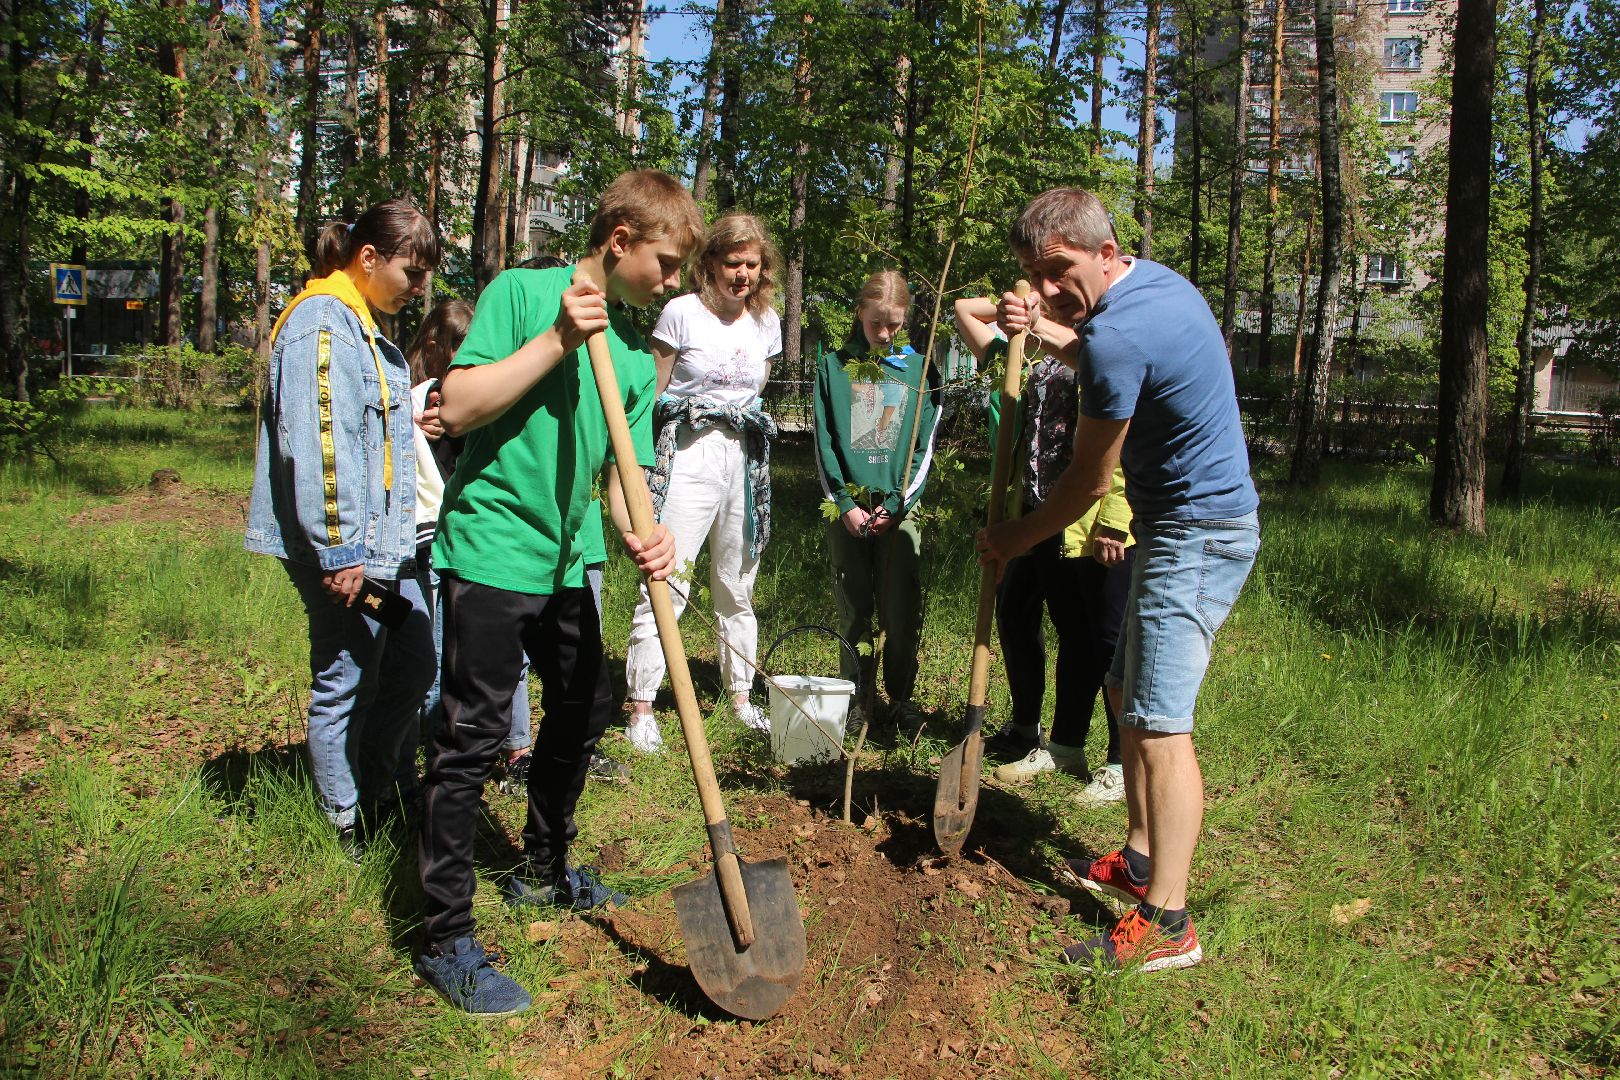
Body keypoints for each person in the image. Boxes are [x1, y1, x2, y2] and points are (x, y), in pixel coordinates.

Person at [413, 170, 694, 1016]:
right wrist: (558, 343)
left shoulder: (637, 363)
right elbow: (457, 406)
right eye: (667, 262)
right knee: (469, 740)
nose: (673, 282)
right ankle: (444, 937)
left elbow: (621, 480)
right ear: (619, 241)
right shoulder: (520, 294)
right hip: (494, 553)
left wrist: (646, 529)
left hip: (570, 564)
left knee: (584, 704)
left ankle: (542, 866)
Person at [977, 187, 1259, 973]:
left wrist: (1011, 539)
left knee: (1162, 724)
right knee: (1125, 694)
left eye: (1058, 271)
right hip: (1180, 528)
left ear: (1104, 251)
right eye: (1035, 275)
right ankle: (1138, 859)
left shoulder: (1120, 332)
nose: (1047, 290)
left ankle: (1170, 921)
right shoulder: (1153, 286)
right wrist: (1047, 336)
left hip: (1197, 536)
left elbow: (1085, 486)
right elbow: (1110, 363)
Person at [244, 200, 441, 854]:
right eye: (412, 273)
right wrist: (338, 553)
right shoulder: (323, 322)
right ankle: (344, 820)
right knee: (348, 672)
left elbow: (364, 434)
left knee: (411, 655)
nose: (419, 289)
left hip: (380, 552)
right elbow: (320, 447)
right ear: (368, 258)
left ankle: (378, 783)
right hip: (340, 553)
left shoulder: (359, 322)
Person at [953, 298, 1135, 805]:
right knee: (1071, 632)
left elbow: (1125, 439)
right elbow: (966, 313)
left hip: (1095, 519)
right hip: (1041, 514)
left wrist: (1117, 522)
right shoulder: (1032, 349)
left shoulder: (1103, 343)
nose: (1049, 294)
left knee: (1108, 640)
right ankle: (1064, 745)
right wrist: (1021, 309)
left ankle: (1122, 761)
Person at [623, 212, 783, 752]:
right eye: (733, 263)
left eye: (753, 265)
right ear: (710, 263)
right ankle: (642, 704)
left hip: (743, 457)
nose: (743, 275)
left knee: (737, 579)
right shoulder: (681, 314)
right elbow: (652, 392)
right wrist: (639, 471)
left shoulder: (767, 322)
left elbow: (756, 394)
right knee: (671, 572)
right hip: (688, 452)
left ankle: (740, 694)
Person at [813, 270, 941, 727]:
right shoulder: (832, 367)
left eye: (894, 325)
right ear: (859, 314)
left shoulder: (921, 370)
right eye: (875, 325)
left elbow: (925, 447)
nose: (885, 335)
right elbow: (825, 440)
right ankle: (855, 694)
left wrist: (897, 504)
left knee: (900, 606)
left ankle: (900, 695)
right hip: (848, 509)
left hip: (898, 509)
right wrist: (846, 504)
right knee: (853, 603)